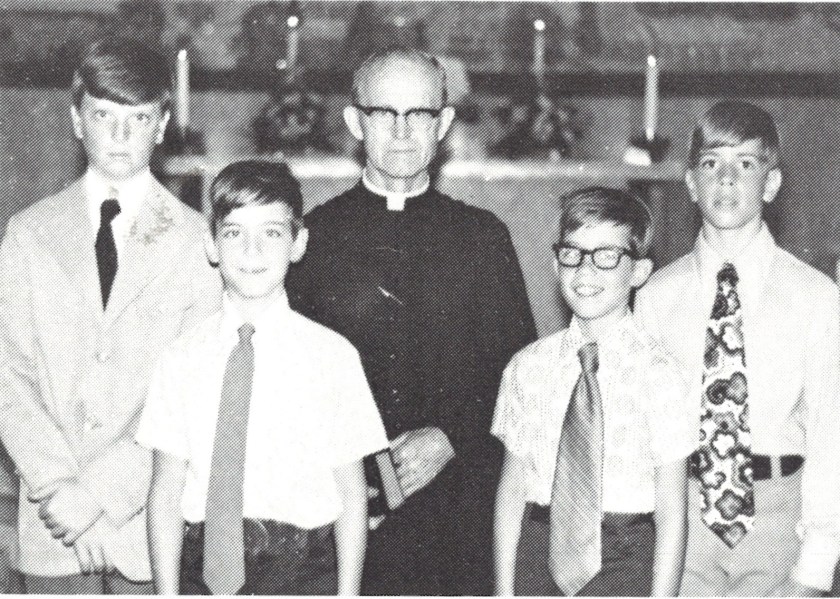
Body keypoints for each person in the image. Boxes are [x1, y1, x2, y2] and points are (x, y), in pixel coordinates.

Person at [286, 47, 536, 595]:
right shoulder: (314, 237)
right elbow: (289, 378)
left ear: (443, 125)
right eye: (384, 113)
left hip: (457, 512)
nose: (401, 132)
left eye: (419, 114)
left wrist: (451, 436)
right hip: (345, 515)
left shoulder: (482, 238)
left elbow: (521, 376)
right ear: (356, 122)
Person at [0, 37, 221, 593]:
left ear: (162, 125)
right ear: (77, 121)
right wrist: (60, 489)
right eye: (104, 116)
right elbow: (8, 375)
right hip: (53, 523)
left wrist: (98, 495)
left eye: (138, 118)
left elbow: (192, 390)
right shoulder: (29, 234)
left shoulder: (195, 240)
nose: (121, 135)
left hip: (146, 526)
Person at [138, 160, 388, 595]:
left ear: (298, 243)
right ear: (211, 245)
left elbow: (351, 495)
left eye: (271, 233)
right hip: (202, 571)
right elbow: (165, 491)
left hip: (302, 574)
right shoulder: (180, 359)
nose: (251, 252)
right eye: (234, 233)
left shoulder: (333, 357)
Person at [635, 100, 840, 596]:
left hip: (779, 518)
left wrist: (816, 565)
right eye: (711, 163)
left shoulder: (816, 296)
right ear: (690, 184)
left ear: (771, 183)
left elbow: (832, 434)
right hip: (681, 520)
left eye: (745, 164)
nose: (726, 178)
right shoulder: (657, 296)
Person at [493, 187, 693, 596]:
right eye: (573, 253)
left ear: (639, 272)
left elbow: (672, 509)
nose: (585, 271)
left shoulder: (661, 375)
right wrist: (504, 589)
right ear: (556, 263)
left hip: (626, 556)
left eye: (606, 256)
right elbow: (512, 489)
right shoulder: (527, 367)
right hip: (539, 551)